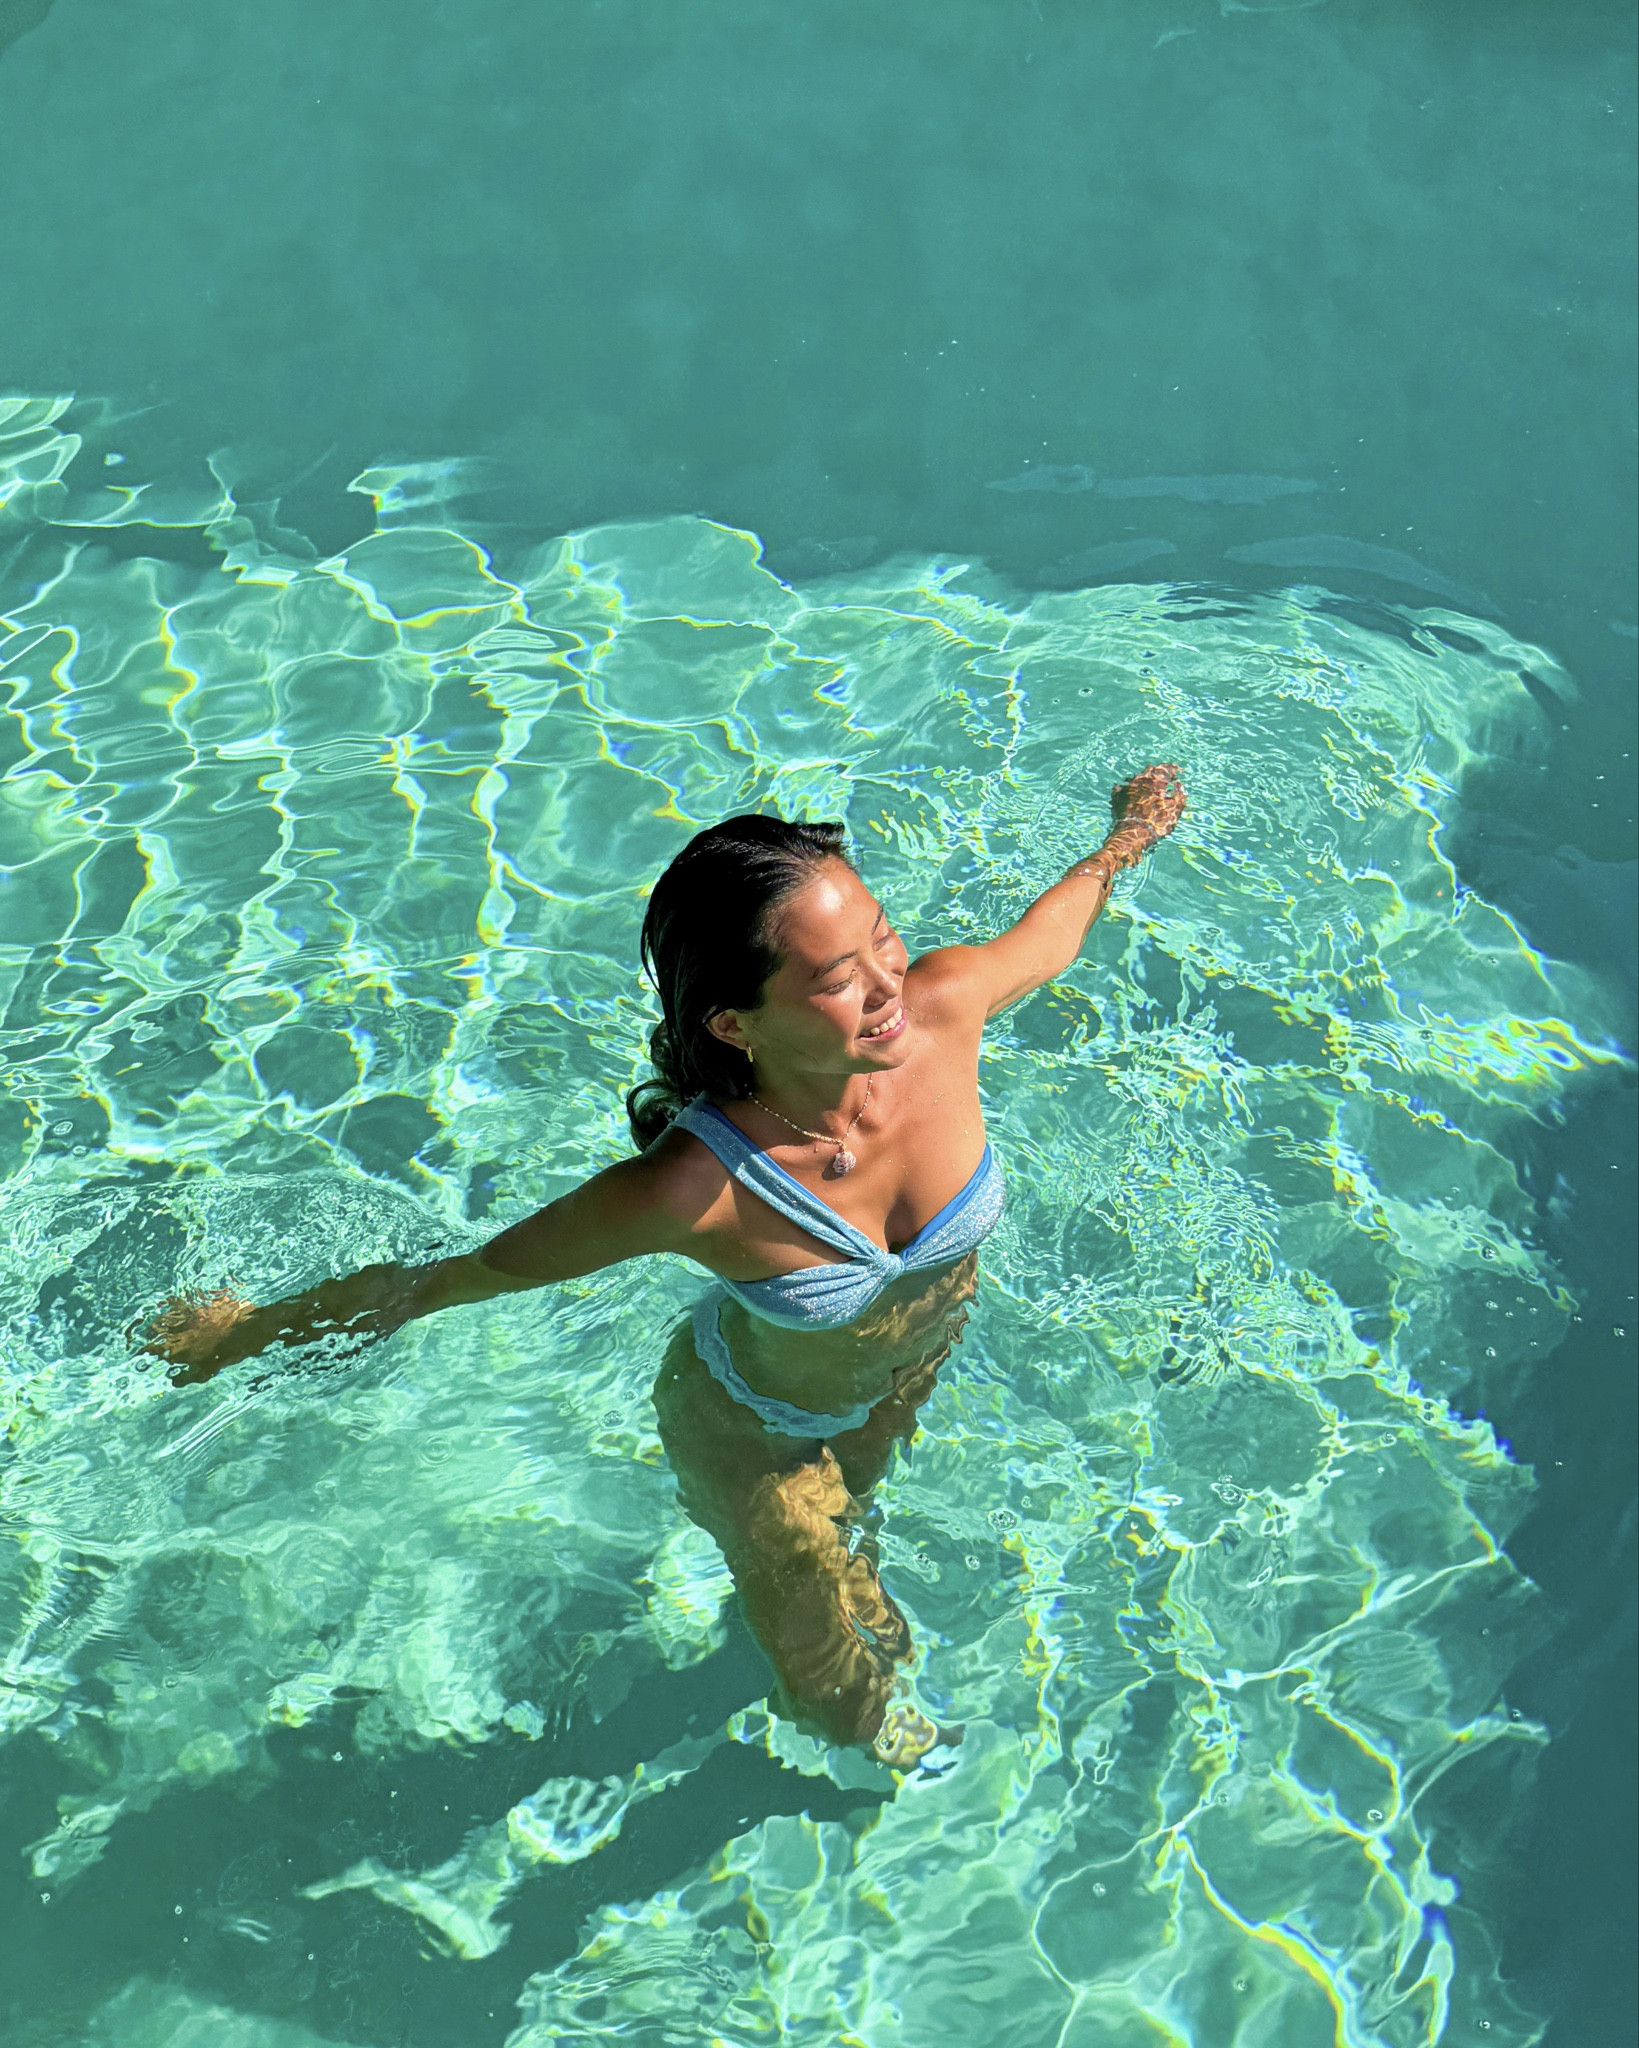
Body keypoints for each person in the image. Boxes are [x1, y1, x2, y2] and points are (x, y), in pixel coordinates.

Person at [149, 764, 1186, 1767]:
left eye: (883, 939)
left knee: (858, 1558)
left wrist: (1124, 839)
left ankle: (855, 1619)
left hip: (906, 1370)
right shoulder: (693, 1187)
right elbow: (453, 1278)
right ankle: (876, 1778)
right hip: (761, 1433)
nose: (886, 989)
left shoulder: (944, 1006)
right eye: (836, 979)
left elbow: (1052, 932)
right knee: (841, 1700)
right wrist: (240, 1334)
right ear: (733, 1022)